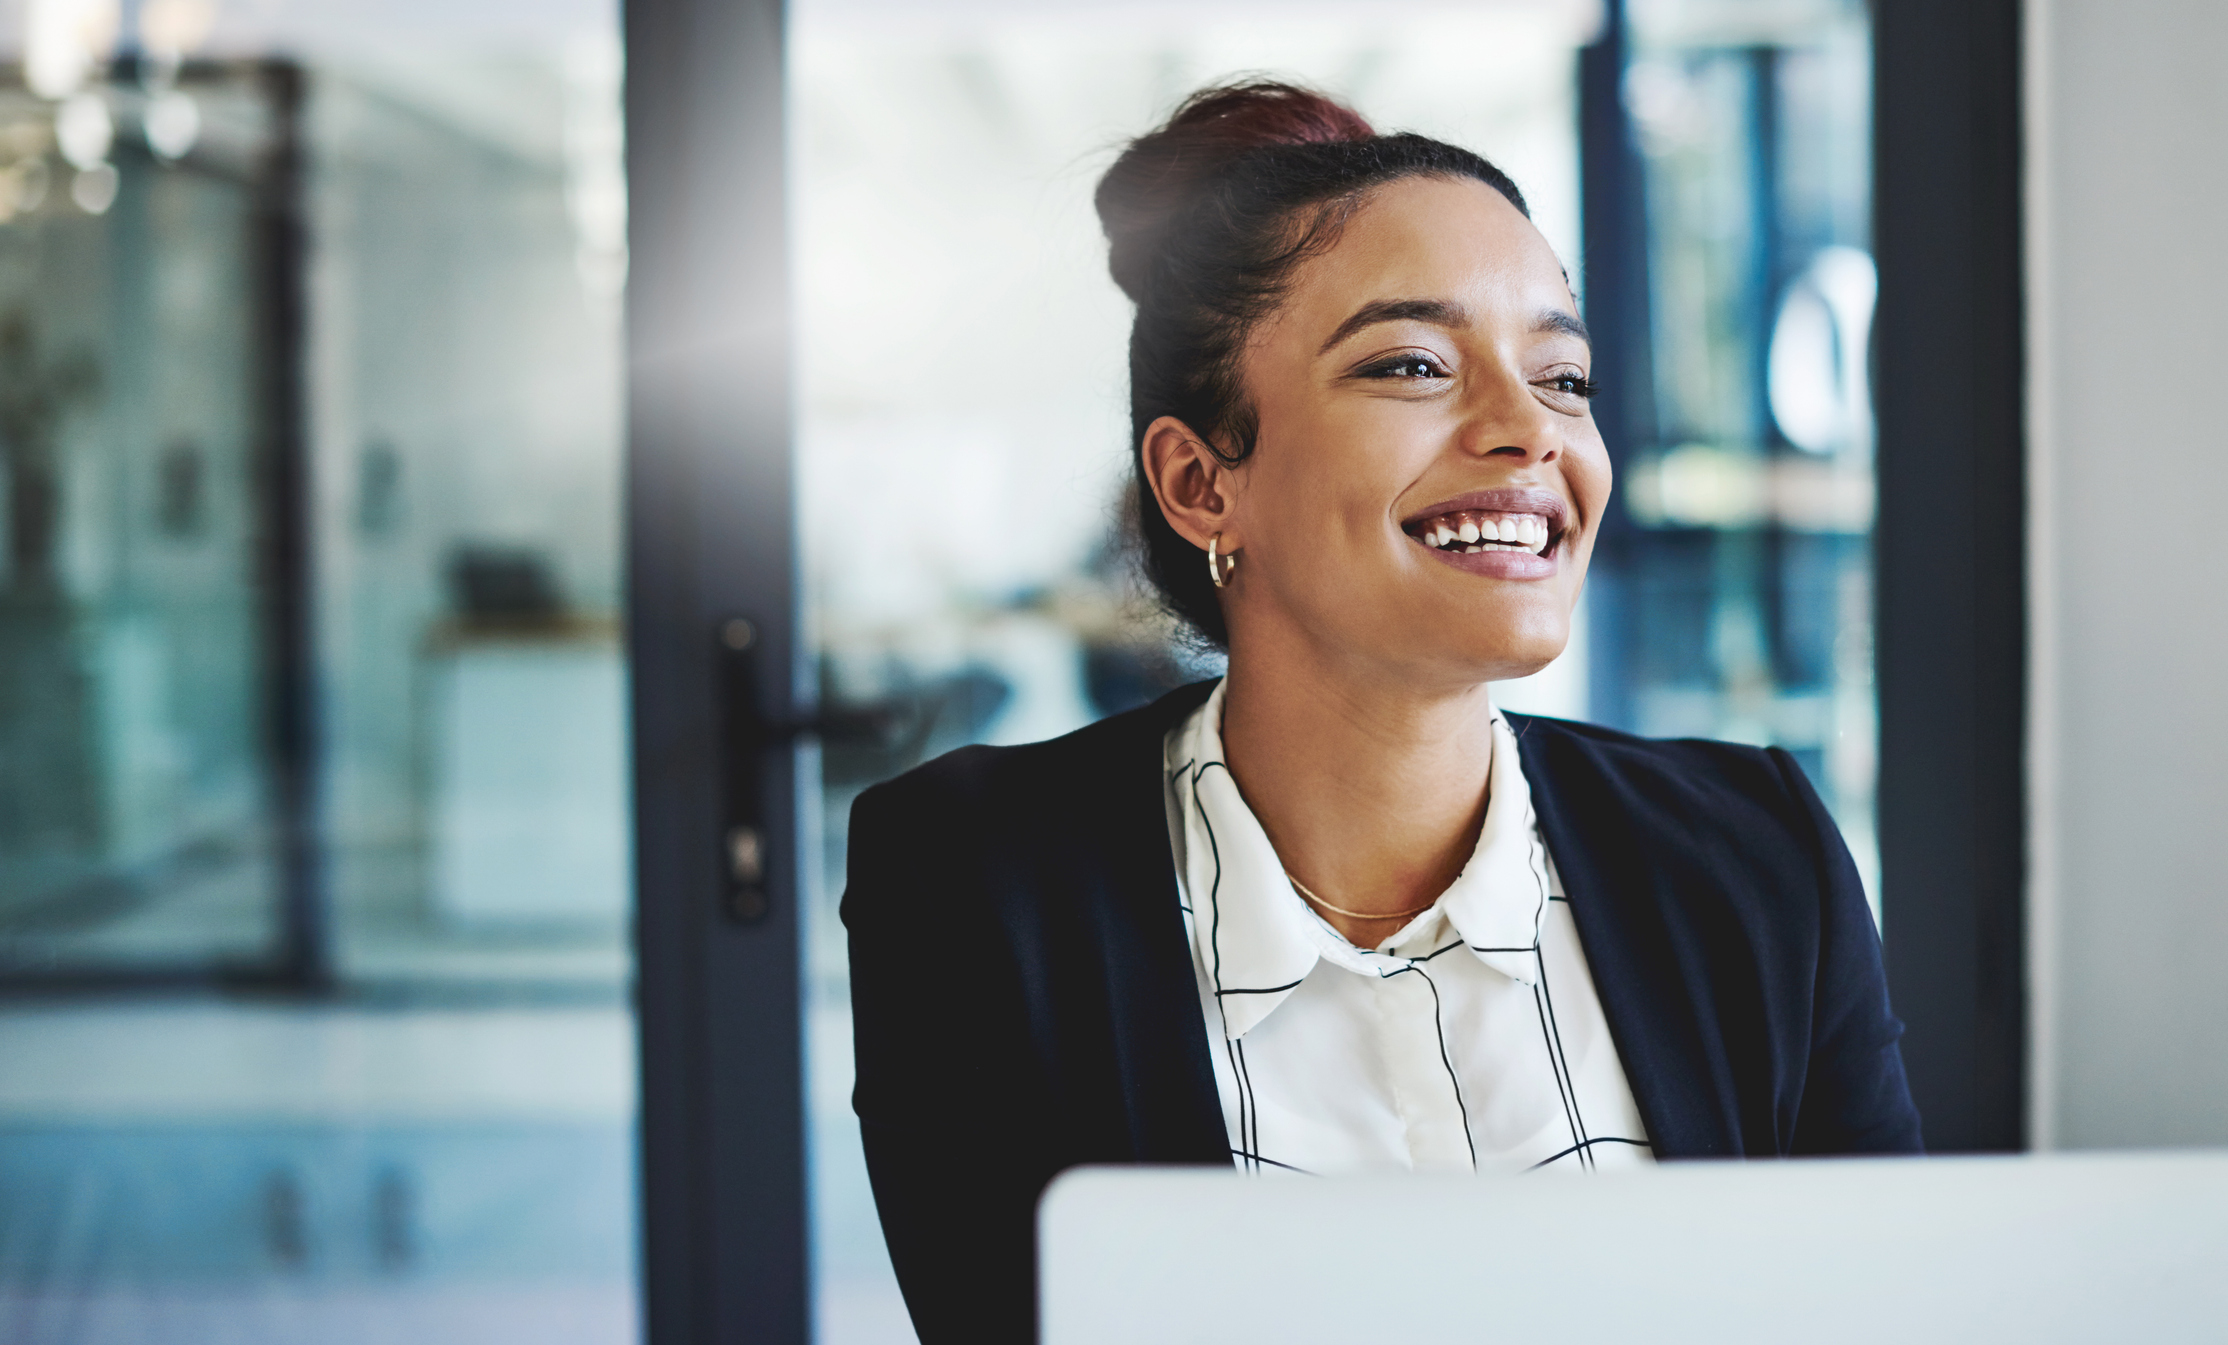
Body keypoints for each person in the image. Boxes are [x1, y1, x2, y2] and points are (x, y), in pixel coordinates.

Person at [842, 80, 1920, 1344]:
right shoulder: (976, 883)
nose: (1527, 431)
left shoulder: (1754, 851)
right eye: (1412, 363)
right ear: (1199, 482)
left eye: (1562, 374)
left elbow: (1878, 1308)